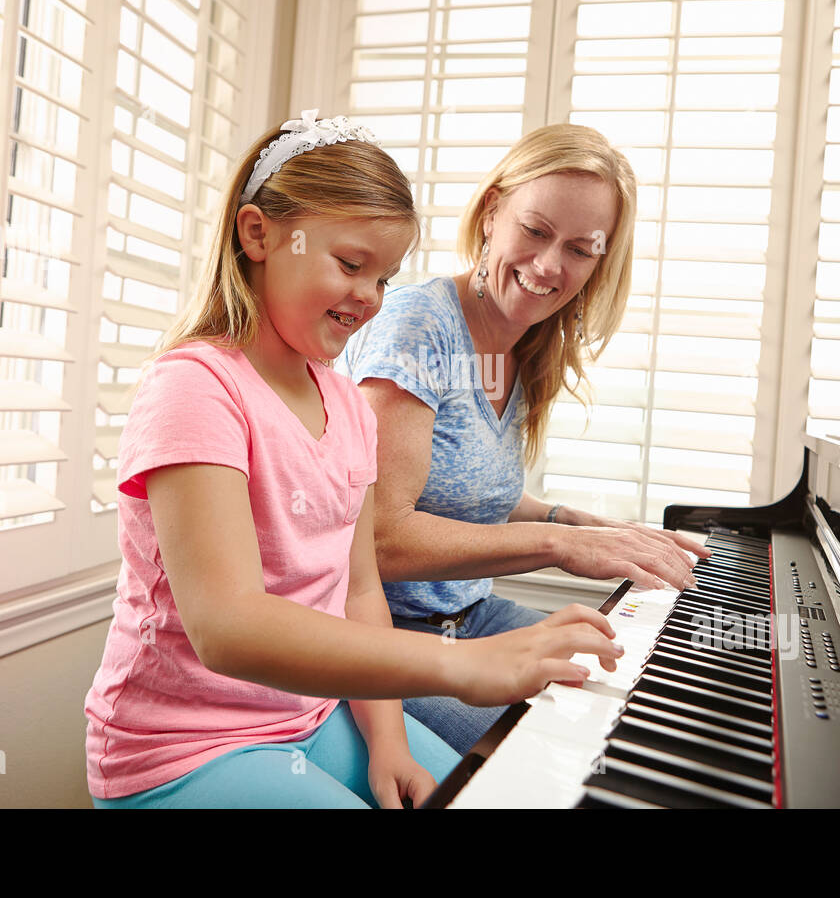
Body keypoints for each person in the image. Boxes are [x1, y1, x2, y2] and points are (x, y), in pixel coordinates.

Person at [83, 111, 622, 808]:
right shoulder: (195, 386)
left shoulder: (343, 404)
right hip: (184, 747)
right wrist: (459, 665)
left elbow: (361, 591)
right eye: (350, 265)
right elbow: (228, 627)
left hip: (309, 717)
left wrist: (390, 743)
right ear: (258, 235)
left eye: (385, 278)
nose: (369, 298)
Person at [342, 123, 710, 755]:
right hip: (387, 637)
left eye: (580, 248)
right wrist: (559, 546)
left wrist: (589, 526)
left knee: (654, 697)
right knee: (576, 754)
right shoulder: (419, 327)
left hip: (472, 618)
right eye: (535, 231)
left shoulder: (527, 343)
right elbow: (378, 536)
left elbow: (465, 489)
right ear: (491, 212)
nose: (548, 266)